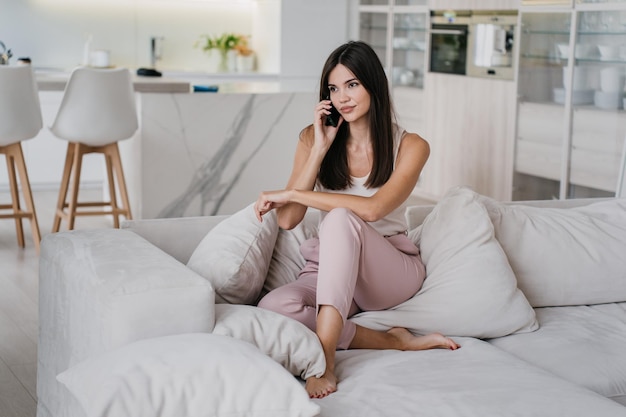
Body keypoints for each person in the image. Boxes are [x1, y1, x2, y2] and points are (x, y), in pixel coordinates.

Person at [254, 40, 459, 399]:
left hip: (388, 272)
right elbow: (287, 220)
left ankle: (325, 361)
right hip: (333, 266)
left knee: (339, 219)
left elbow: (374, 209)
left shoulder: (411, 146)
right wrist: (318, 149)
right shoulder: (312, 138)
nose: (342, 97)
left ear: (373, 85)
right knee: (274, 307)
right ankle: (390, 340)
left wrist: (294, 193)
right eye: (333, 89)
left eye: (352, 85)